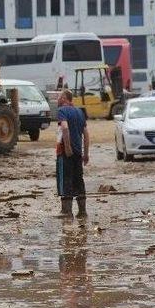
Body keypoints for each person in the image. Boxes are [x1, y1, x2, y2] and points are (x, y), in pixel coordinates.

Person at [56, 89, 90, 218]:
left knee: (66, 179)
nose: (58, 100)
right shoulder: (80, 112)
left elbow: (64, 127)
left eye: (59, 97)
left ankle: (66, 211)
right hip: (78, 153)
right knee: (79, 179)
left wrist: (68, 147)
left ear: (64, 98)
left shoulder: (62, 111)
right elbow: (86, 134)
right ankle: (82, 212)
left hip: (65, 153)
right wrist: (85, 154)